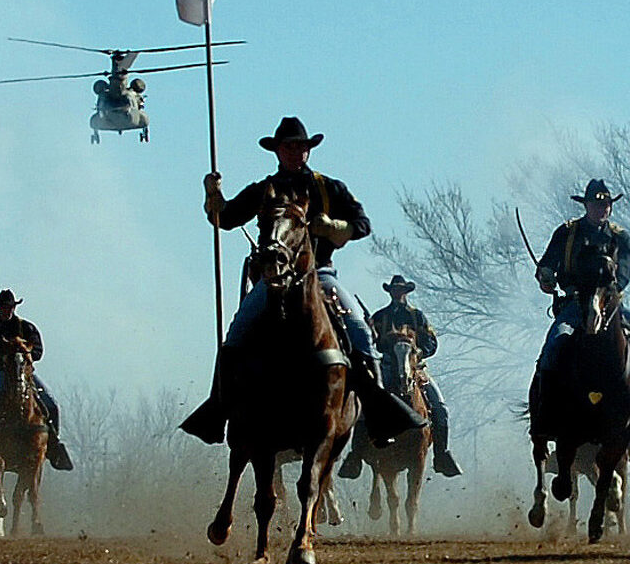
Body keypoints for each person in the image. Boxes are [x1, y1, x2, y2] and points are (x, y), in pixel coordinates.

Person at [180, 116, 427, 446]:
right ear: (278, 151)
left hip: (321, 275)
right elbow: (225, 219)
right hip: (273, 281)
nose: (296, 153)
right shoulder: (264, 190)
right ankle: (218, 409)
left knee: (359, 331)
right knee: (236, 335)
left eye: (301, 147)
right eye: (289, 147)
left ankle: (379, 412)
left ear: (309, 150)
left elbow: (362, 224)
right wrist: (213, 196)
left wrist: (333, 227)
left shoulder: (329, 188)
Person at [532, 179, 630, 434]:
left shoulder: (621, 238)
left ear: (610, 207)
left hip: (610, 305)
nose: (601, 209)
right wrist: (545, 276)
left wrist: (604, 296)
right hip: (573, 305)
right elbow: (547, 265)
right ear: (586, 205)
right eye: (595, 204)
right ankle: (545, 413)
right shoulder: (566, 233)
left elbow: (623, 277)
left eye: (605, 205)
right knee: (553, 347)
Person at [338, 275, 463, 478]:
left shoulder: (417, 316)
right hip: (387, 367)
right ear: (390, 292)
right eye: (395, 289)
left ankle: (442, 455)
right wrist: (373, 333)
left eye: (401, 289)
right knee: (364, 409)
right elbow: (373, 345)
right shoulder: (380, 316)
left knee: (439, 408)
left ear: (406, 292)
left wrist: (419, 352)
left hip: (416, 368)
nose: (398, 292)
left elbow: (431, 342)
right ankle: (355, 456)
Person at [0, 273, 74, 471]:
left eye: (9, 307)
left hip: (24, 374)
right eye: (3, 307)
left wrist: (25, 355)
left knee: (52, 405)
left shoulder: (26, 328)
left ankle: (53, 449)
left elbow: (38, 351)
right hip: (1, 374)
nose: (6, 311)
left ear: (14, 308)